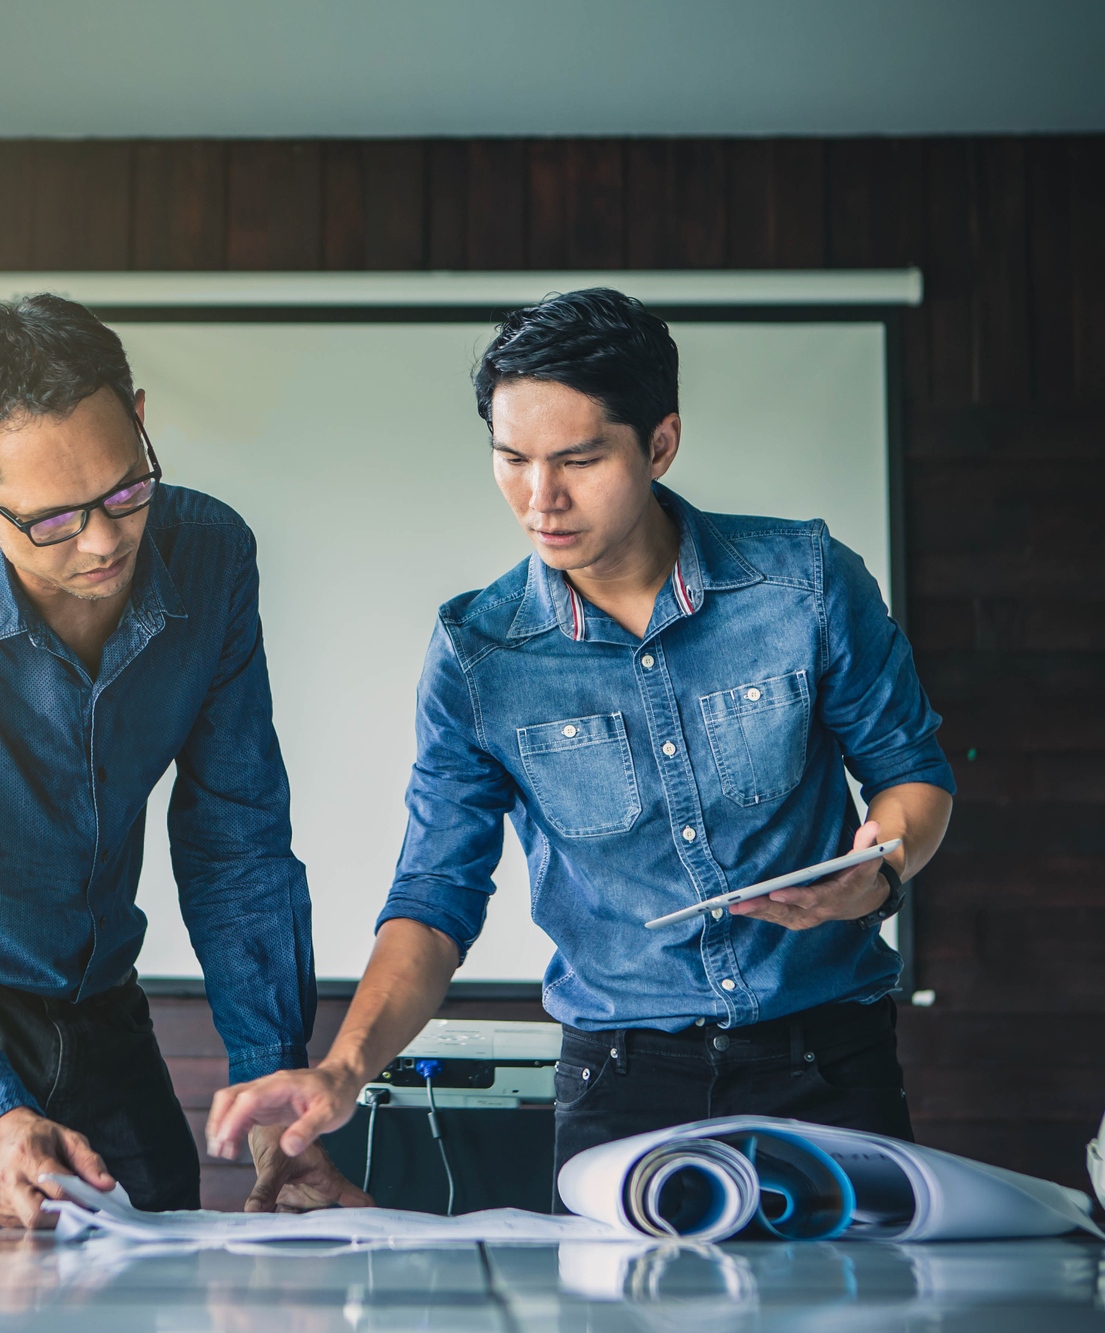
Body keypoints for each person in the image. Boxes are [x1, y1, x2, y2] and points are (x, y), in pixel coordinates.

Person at [207, 288, 956, 1188]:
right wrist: (344, 1067)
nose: (540, 497)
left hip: (831, 1064)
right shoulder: (478, 656)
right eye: (512, 459)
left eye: (578, 459)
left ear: (661, 443)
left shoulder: (807, 585)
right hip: (621, 1085)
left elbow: (913, 775)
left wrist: (878, 870)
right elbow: (435, 896)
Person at [0, 295, 365, 1225]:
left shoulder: (213, 556)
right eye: (56, 521)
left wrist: (276, 1101)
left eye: (126, 489)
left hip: (101, 1005)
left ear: (140, 422)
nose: (107, 540)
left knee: (157, 1247)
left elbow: (237, 843)